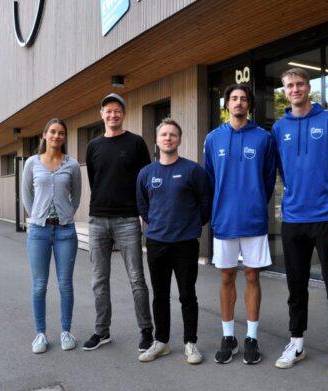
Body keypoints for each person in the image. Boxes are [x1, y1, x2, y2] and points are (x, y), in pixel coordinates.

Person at [271, 67, 328, 375]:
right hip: (293, 218)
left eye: (299, 83)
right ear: (285, 91)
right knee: (295, 284)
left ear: (308, 87)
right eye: (289, 85)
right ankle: (296, 342)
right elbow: (280, 170)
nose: (295, 89)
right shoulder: (279, 128)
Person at [203, 83, 276, 365]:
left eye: (243, 99)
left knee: (253, 277)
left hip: (254, 220)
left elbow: (268, 180)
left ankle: (252, 338)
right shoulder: (212, 139)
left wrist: (255, 202)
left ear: (249, 105)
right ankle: (229, 337)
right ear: (226, 105)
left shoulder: (264, 138)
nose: (238, 103)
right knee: (226, 277)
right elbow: (209, 180)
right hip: (224, 220)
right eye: (233, 98)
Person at [136, 118, 212, 364]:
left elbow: (205, 203)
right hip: (157, 243)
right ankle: (162, 342)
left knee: (187, 295)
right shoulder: (146, 173)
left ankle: (191, 343)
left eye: (173, 135)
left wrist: (190, 225)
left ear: (179, 139)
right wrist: (157, 225)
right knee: (159, 295)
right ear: (157, 141)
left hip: (186, 244)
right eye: (164, 135)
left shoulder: (193, 170)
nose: (168, 138)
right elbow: (143, 206)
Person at [83, 93, 154, 353]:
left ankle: (146, 330)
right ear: (101, 114)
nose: (113, 115)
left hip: (127, 220)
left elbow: (146, 179)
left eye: (117, 111)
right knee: (99, 279)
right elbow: (95, 180)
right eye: (108, 111)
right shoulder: (93, 146)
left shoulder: (136, 143)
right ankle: (102, 331)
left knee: (136, 277)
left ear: (123, 114)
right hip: (98, 220)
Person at [22, 117, 82, 354]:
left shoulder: (73, 165)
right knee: (39, 285)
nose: (57, 136)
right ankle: (40, 334)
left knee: (65, 285)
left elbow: (76, 197)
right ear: (44, 135)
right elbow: (27, 195)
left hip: (65, 231)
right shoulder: (32, 163)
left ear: (64, 138)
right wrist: (37, 216)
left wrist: (66, 215)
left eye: (61, 133)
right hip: (39, 231)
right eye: (53, 132)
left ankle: (66, 331)